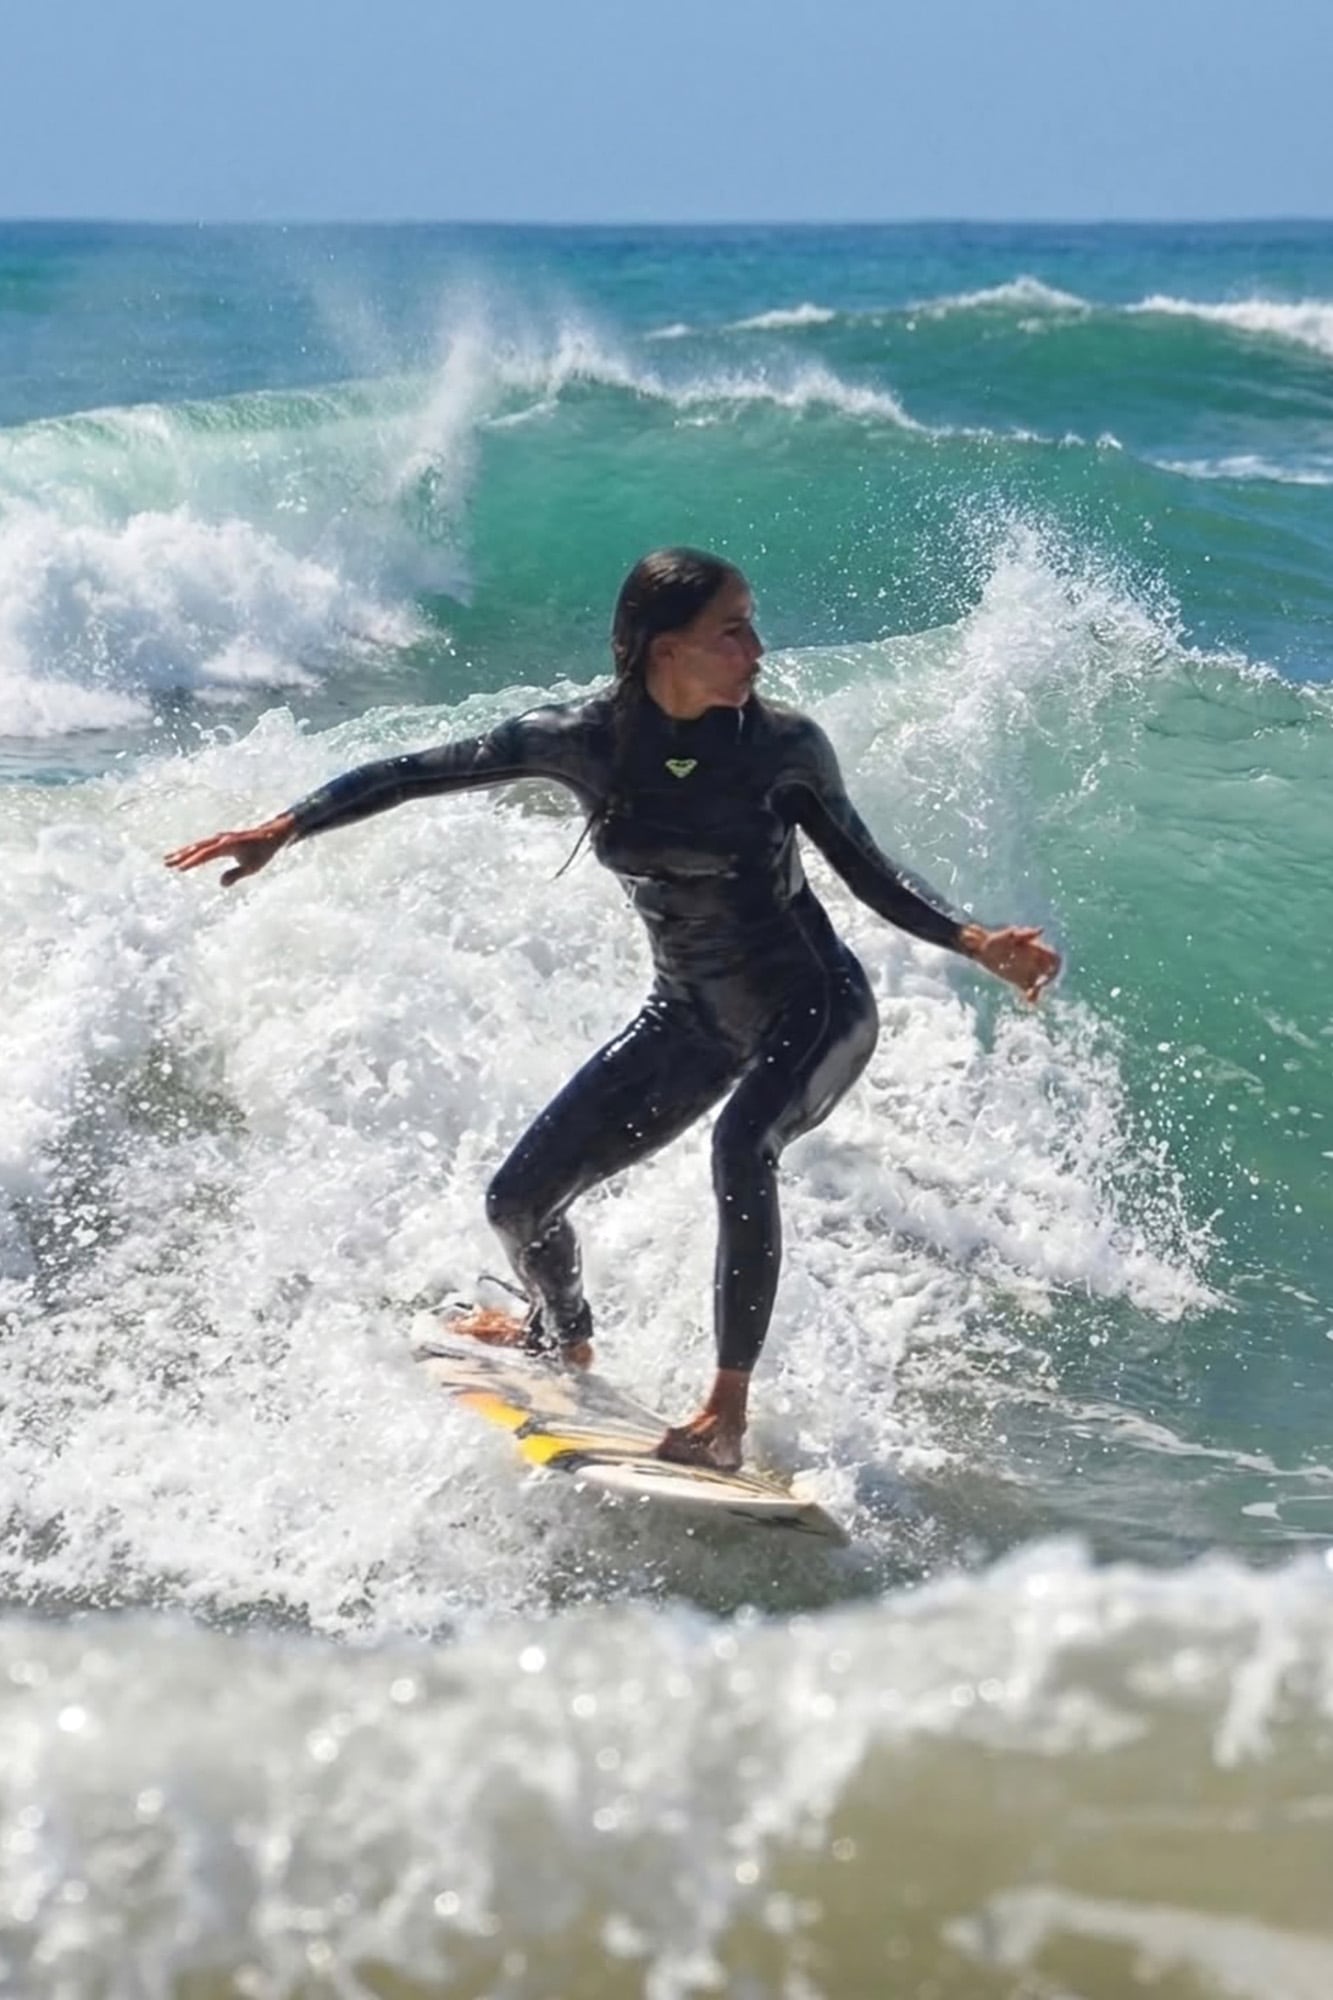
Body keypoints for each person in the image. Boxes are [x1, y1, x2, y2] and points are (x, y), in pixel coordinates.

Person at [166, 548, 1060, 1471]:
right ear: (666, 649)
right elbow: (416, 771)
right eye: (732, 630)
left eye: (751, 625)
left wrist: (970, 938)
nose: (756, 647)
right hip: (690, 1018)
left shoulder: (781, 748)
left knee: (740, 1146)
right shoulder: (582, 738)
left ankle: (724, 1411)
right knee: (518, 1204)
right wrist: (287, 826)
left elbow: (868, 869)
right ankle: (561, 1336)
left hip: (815, 1005)